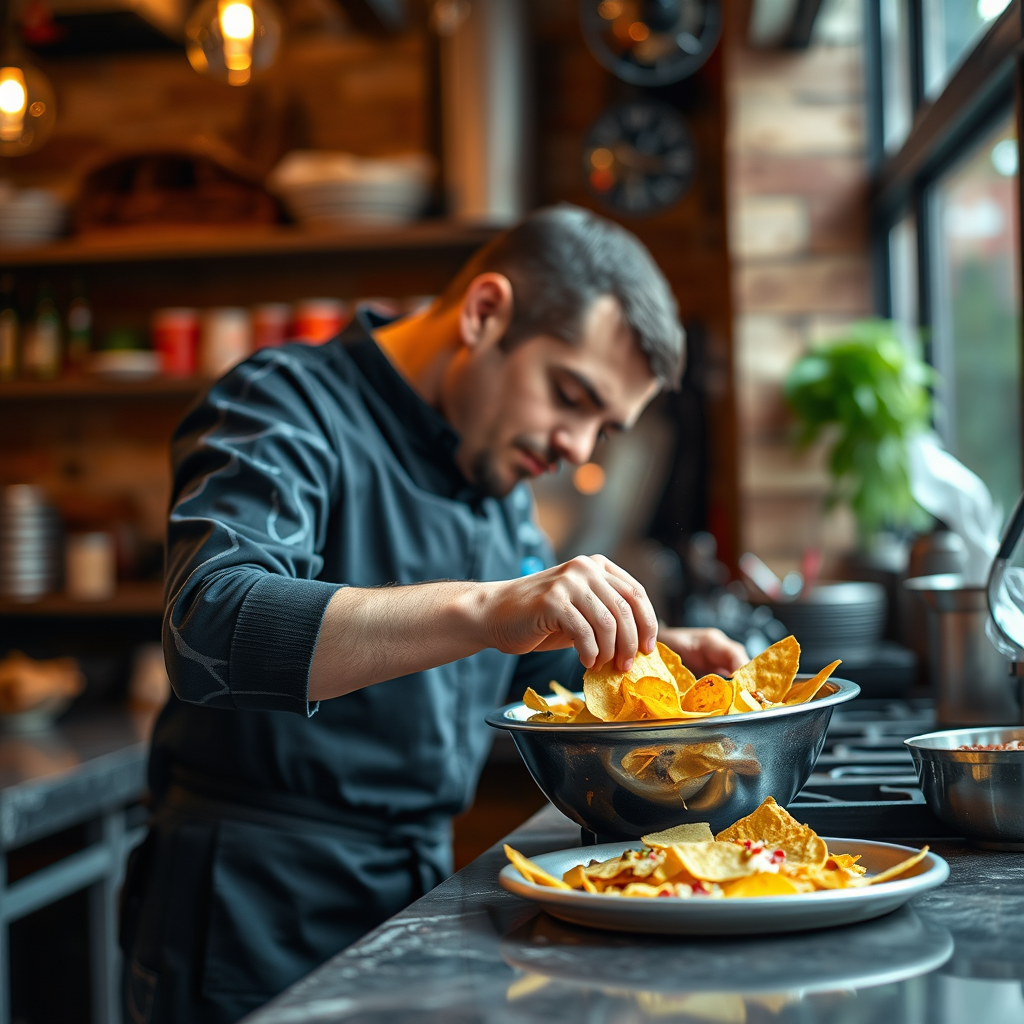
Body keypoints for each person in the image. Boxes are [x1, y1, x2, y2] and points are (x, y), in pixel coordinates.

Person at [120, 205, 747, 1024]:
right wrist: (487, 605)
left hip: (416, 894)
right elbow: (210, 624)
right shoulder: (281, 404)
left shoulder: (495, 482)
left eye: (605, 427)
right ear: (484, 314)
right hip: (248, 909)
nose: (579, 450)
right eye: (571, 396)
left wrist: (641, 660)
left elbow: (534, 668)